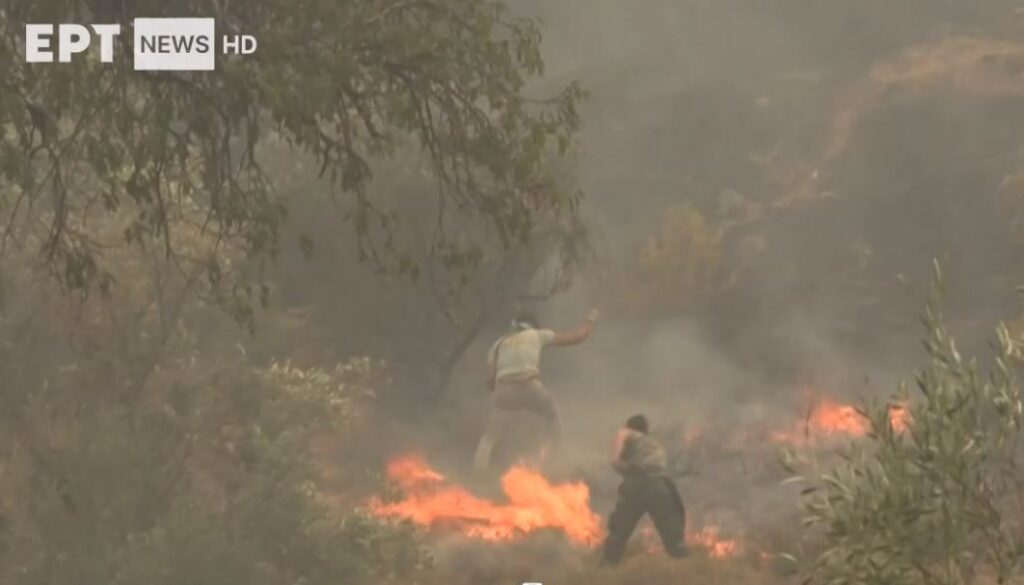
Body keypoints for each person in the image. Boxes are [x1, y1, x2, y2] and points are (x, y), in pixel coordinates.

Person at [472, 309, 598, 472]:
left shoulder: (498, 344)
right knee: (552, 414)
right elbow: (577, 337)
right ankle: (558, 461)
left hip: (503, 390)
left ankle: (478, 474)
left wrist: (501, 399)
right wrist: (590, 320)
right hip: (529, 384)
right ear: (532, 326)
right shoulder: (536, 335)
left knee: (490, 436)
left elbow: (490, 380)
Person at [601, 414, 687, 566]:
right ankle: (690, 571)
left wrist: (623, 467)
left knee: (618, 534)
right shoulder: (655, 444)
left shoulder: (626, 433)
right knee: (674, 540)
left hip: (637, 486)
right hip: (661, 487)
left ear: (630, 427)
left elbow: (615, 460)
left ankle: (606, 571)